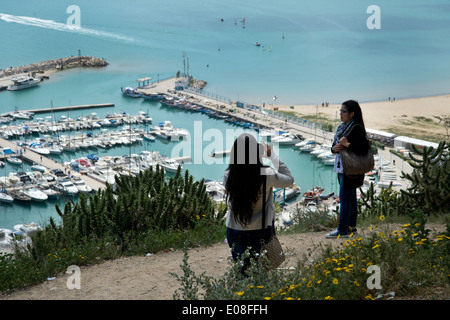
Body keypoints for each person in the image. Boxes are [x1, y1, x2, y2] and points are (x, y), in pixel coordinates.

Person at [224, 133, 294, 274]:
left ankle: (241, 294)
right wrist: (272, 155)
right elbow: (289, 179)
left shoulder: (228, 176)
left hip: (235, 228)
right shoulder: (266, 173)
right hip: (261, 230)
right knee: (261, 271)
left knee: (242, 271)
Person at [327, 100, 370, 239]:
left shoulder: (357, 128)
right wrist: (334, 148)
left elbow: (364, 148)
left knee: (345, 199)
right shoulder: (342, 127)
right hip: (342, 167)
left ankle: (342, 230)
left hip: (351, 169)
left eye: (343, 111)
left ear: (352, 114)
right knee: (351, 198)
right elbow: (333, 146)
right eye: (340, 111)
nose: (340, 113)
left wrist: (347, 144)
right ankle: (352, 227)